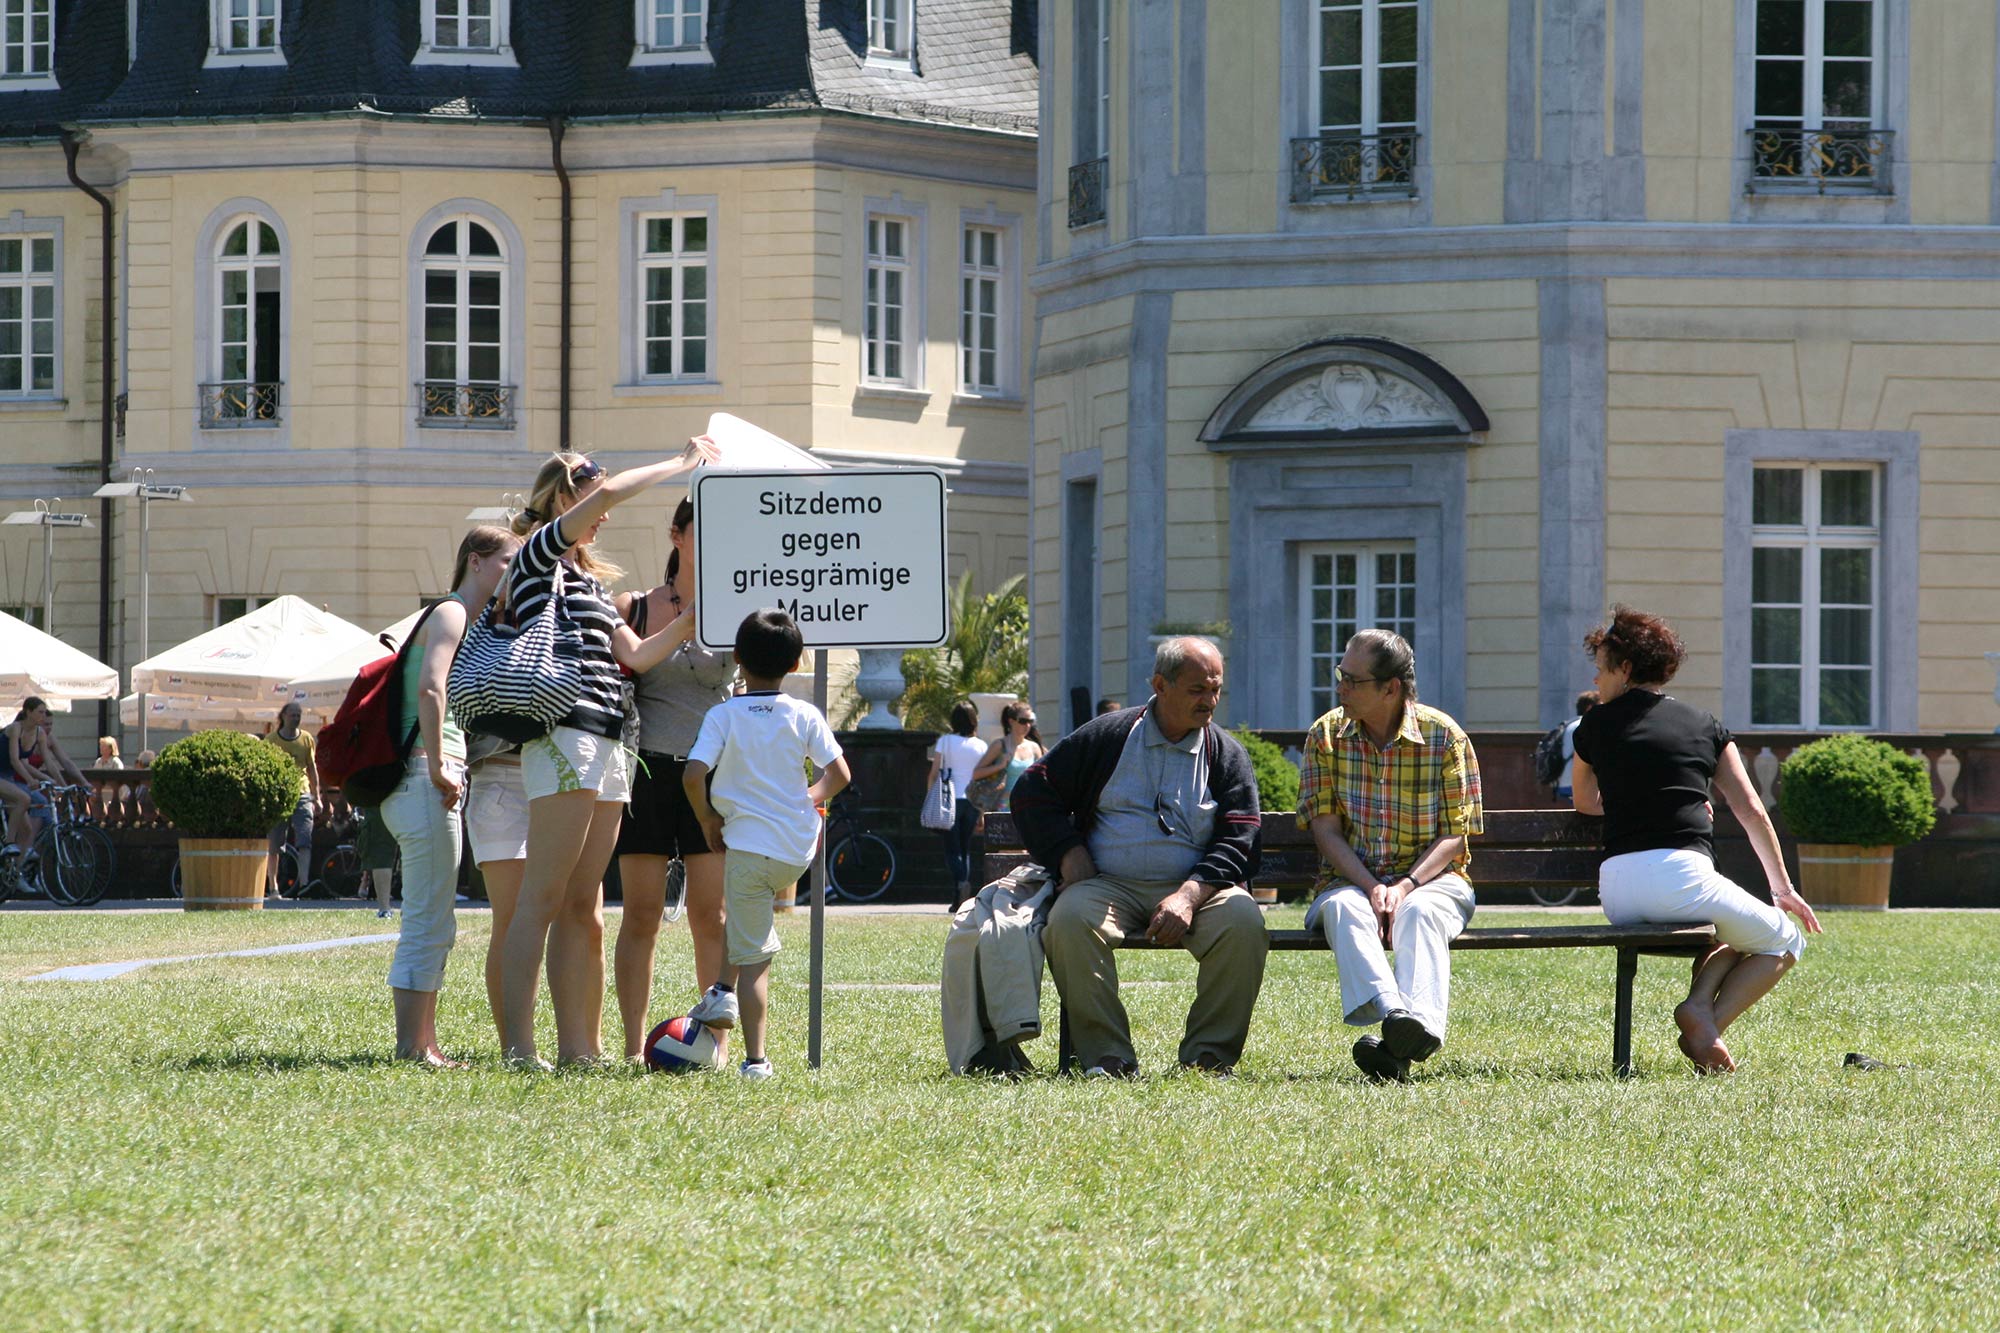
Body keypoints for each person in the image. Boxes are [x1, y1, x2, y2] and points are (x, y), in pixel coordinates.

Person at [495, 450, 705, 1068]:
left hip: (613, 740)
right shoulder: (537, 555)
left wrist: (690, 620)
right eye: (593, 499)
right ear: (566, 498)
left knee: (581, 904)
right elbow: (610, 497)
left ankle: (577, 1051)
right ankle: (519, 1048)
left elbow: (635, 657)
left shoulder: (588, 582)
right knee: (542, 898)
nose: (604, 515)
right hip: (566, 735)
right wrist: (681, 462)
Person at [1570, 607, 1821, 1074]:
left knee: (1728, 932)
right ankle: (1705, 1022)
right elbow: (1750, 810)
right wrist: (1783, 889)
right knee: (1785, 940)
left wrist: (1637, 805)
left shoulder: (1592, 726)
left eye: (1601, 667)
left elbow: (1585, 802)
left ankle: (1701, 1009)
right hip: (1682, 881)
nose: (1595, 678)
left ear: (1625, 668)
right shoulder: (1705, 725)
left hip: (1617, 893)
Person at [1011, 637, 1268, 1077]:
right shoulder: (1107, 737)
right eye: (1197, 690)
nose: (1209, 701)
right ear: (1160, 685)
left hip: (1199, 890)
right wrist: (1068, 853)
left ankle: (1209, 1057)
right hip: (1109, 886)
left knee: (1244, 923)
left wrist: (1189, 896)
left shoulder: (1226, 754)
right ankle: (1107, 1057)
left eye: (1215, 689)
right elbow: (1032, 792)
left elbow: (1241, 836)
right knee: (1069, 921)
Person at [1298, 628, 1484, 1083]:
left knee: (1419, 912)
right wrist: (1370, 886)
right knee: (1344, 908)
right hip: (1348, 880)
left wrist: (1404, 886)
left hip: (1434, 882)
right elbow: (1325, 830)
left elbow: (1454, 836)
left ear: (1391, 688)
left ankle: (1405, 1038)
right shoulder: (1326, 735)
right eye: (1340, 675)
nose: (1340, 687)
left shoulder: (1445, 737)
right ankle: (1398, 1017)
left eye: (1352, 680)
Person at [682, 609, 851, 1081]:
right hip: (796, 851)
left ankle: (755, 1060)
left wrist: (706, 818)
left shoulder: (723, 715)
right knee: (745, 917)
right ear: (795, 664)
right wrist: (809, 797)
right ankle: (720, 988)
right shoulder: (804, 713)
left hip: (749, 848)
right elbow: (839, 774)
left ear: (736, 657)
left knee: (755, 956)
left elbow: (693, 775)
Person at [379, 524, 519, 1066]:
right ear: (476, 561)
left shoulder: (469, 620)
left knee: (434, 915)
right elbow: (431, 686)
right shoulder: (453, 613)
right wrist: (440, 761)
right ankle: (413, 1047)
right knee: (429, 917)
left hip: (424, 778)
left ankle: (422, 1042)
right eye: (507, 561)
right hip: (424, 776)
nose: (514, 572)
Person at [612, 495, 737, 1062]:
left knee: (711, 916)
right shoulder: (635, 606)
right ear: (677, 536)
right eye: (701, 529)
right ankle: (633, 1047)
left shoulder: (739, 608)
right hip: (646, 772)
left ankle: (717, 1044)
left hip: (712, 774)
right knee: (641, 914)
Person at [5, 698, 88, 853]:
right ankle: (15, 845)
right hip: (10, 778)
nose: (45, 720)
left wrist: (64, 785)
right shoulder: (18, 729)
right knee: (31, 800)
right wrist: (36, 779)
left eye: (50, 722)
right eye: (41, 713)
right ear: (29, 712)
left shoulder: (42, 735)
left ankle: (23, 859)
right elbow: (18, 761)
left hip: (18, 780)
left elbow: (54, 763)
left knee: (35, 826)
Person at [925, 700, 987, 904]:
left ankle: (961, 883)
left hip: (949, 800)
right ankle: (959, 897)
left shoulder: (945, 741)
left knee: (952, 850)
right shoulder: (981, 745)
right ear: (974, 721)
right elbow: (982, 780)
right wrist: (982, 811)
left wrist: (929, 798)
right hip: (972, 802)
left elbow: (934, 773)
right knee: (964, 849)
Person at [263, 701, 320, 897]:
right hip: (279, 796)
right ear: (283, 716)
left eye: (298, 715)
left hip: (302, 793)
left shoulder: (306, 739)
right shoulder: (271, 740)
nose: (296, 718)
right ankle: (273, 887)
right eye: (292, 715)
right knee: (274, 843)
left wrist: (317, 796)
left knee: (305, 838)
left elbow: (312, 768)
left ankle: (304, 884)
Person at [971, 700, 1044, 811]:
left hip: (1028, 806)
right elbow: (976, 774)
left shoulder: (1034, 747)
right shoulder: (999, 745)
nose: (1027, 725)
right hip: (1004, 806)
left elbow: (1041, 778)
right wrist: (999, 766)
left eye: (1030, 721)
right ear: (1011, 721)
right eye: (1023, 721)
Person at [1555, 690, 1599, 802]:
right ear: (1589, 708)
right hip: (1578, 784)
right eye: (1600, 705)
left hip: (1563, 783)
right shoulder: (1585, 725)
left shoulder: (1569, 725)